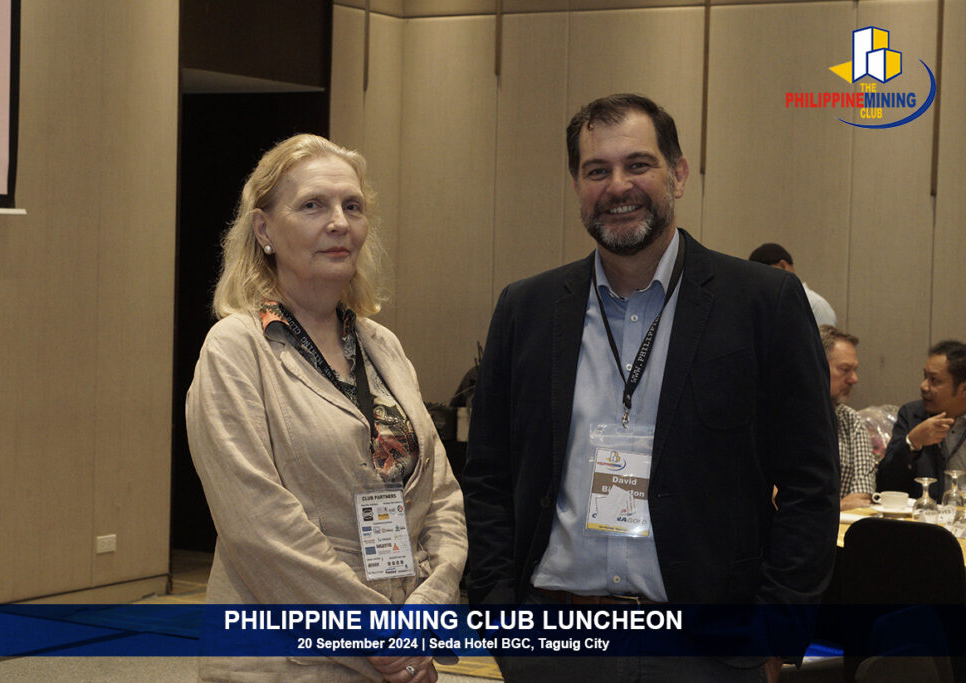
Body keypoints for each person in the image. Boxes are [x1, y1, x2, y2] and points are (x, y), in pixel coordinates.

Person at [462, 93, 839, 682]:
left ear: (678, 174)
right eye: (597, 170)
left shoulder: (762, 304)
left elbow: (810, 482)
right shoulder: (526, 309)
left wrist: (776, 630)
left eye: (638, 165)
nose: (618, 186)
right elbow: (487, 476)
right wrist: (497, 613)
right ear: (577, 185)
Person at [186, 134, 467, 682]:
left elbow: (441, 497)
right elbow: (259, 530)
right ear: (264, 230)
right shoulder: (235, 348)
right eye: (313, 205)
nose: (339, 222)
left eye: (352, 206)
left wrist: (428, 611)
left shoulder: (382, 346)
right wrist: (377, 636)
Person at [877, 340, 966, 500]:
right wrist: (911, 443)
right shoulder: (912, 416)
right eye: (925, 377)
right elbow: (885, 485)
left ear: (963, 389)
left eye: (934, 380)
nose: (924, 386)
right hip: (924, 515)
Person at [819, 325, 874, 510]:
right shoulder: (783, 417)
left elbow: (862, 496)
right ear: (817, 365)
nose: (854, 379)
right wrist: (840, 505)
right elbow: (777, 498)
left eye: (854, 370)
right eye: (845, 369)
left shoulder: (851, 421)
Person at [749, 243, 837, 327]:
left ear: (783, 266)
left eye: (764, 275)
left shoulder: (816, 305)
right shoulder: (766, 306)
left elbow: (827, 338)